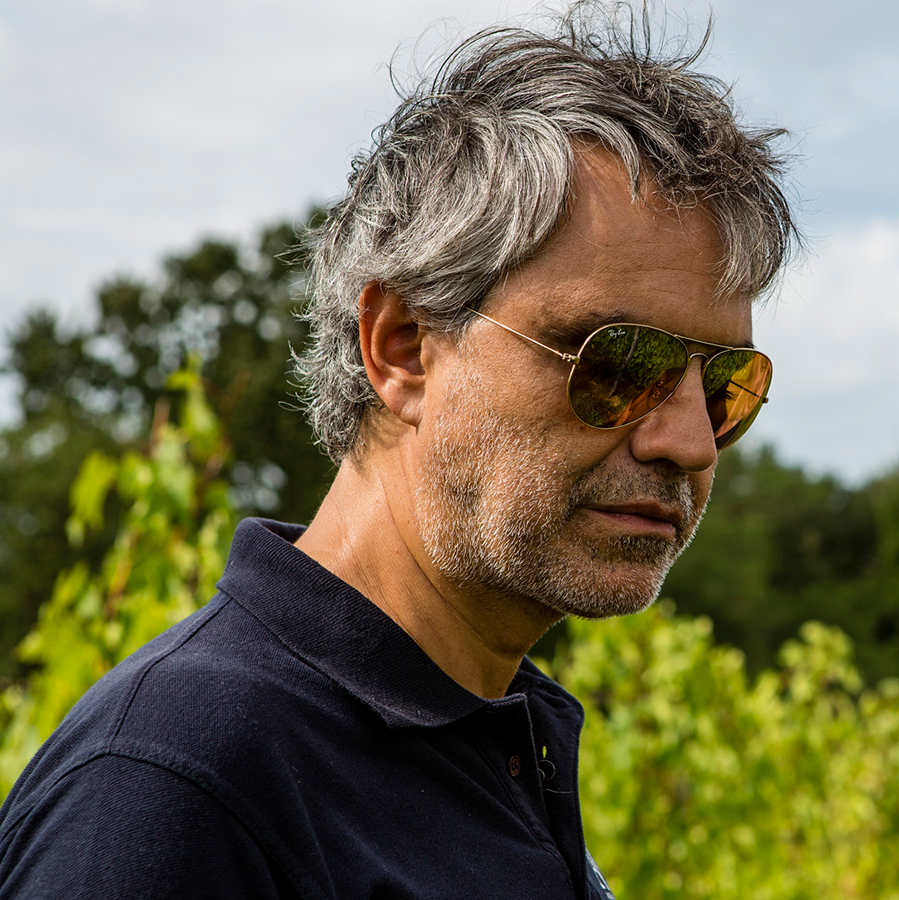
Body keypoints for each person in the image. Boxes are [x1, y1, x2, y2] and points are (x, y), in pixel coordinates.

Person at [0, 7, 797, 898]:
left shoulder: (492, 735)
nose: (689, 442)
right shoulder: (170, 791)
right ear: (403, 347)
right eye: (616, 362)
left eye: (725, 383)